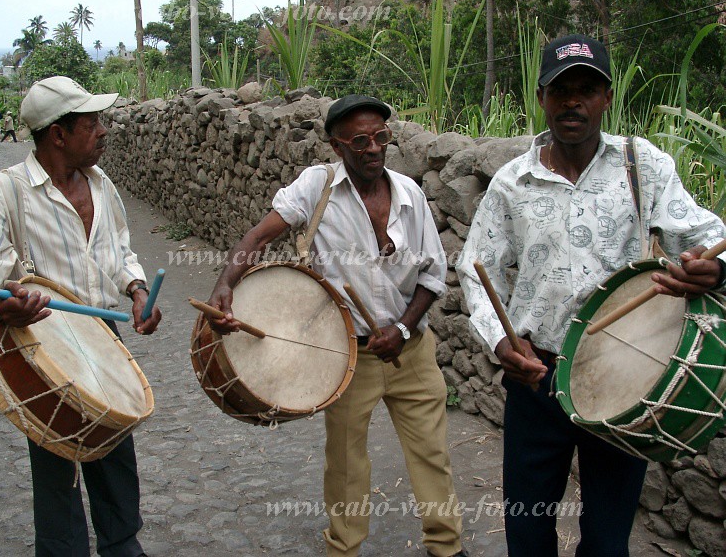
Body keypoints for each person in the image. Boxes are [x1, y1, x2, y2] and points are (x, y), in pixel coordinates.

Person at [456, 34, 726, 556]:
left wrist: (712, 272)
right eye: (560, 90)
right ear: (541, 99)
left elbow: (703, 236)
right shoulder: (513, 182)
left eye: (586, 89)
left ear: (606, 98)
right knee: (528, 527)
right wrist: (500, 342)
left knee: (607, 537)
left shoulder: (642, 165)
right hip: (537, 376)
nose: (572, 101)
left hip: (624, 375)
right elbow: (475, 268)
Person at [206, 95, 467, 557]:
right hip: (349, 355)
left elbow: (431, 274)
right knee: (346, 462)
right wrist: (227, 282)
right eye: (360, 141)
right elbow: (259, 237)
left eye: (381, 137)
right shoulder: (319, 186)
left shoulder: (410, 194)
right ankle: (344, 547)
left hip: (412, 348)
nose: (373, 148)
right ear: (337, 146)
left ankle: (446, 546)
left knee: (432, 452)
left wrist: (403, 330)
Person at [0, 75, 161, 557]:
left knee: (114, 450)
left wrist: (138, 290)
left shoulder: (102, 185)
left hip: (104, 334)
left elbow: (120, 250)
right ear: (58, 134)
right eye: (93, 123)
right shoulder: (6, 190)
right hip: (46, 345)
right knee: (55, 463)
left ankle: (122, 541)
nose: (104, 131)